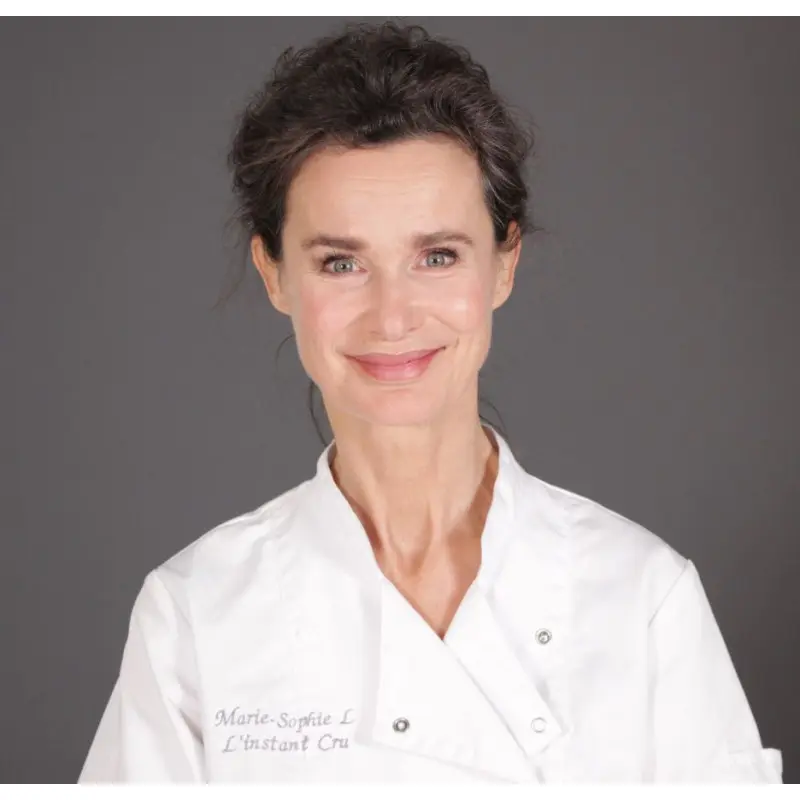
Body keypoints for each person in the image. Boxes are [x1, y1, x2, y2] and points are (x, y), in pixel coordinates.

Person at [78, 21, 782, 784]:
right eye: (341, 262)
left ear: (504, 263)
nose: (392, 317)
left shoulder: (643, 596)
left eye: (437, 256)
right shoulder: (194, 615)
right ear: (274, 273)